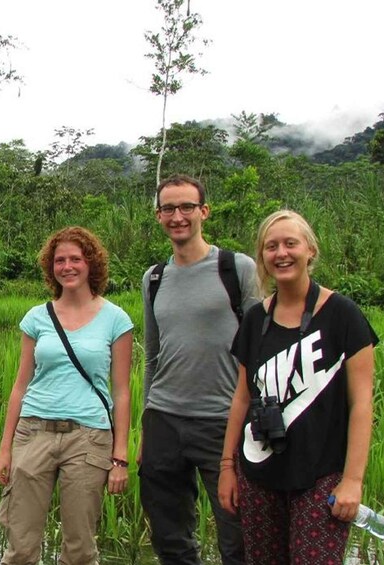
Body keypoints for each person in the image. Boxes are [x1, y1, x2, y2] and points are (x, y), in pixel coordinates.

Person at [218, 210, 378, 564]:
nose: (281, 253)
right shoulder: (256, 320)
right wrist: (228, 468)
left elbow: (362, 403)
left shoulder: (343, 315)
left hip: (321, 475)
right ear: (262, 257)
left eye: (291, 243)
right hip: (259, 472)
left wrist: (352, 480)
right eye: (271, 246)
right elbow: (242, 397)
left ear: (310, 251)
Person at [0, 226, 133, 565]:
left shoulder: (116, 319)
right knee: (21, 546)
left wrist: (120, 457)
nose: (67, 266)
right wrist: (4, 448)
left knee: (80, 549)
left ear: (91, 264)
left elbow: (122, 391)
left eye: (76, 259)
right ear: (50, 267)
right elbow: (20, 385)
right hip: (34, 432)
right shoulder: (37, 317)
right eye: (60, 260)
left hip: (89, 439)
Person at [140, 174, 256, 565]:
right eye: (168, 208)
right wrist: (146, 422)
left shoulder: (236, 268)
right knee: (170, 538)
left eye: (187, 206)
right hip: (164, 420)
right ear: (158, 216)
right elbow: (152, 356)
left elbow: (261, 348)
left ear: (203, 212)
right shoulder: (154, 278)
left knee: (237, 537)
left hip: (223, 421)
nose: (178, 216)